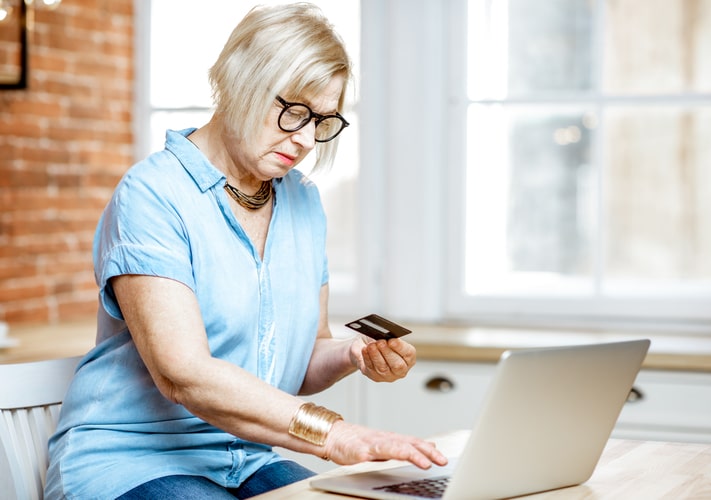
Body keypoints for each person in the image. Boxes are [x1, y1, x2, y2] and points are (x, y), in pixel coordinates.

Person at [44, 3, 447, 499]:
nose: (303, 139)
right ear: (241, 80)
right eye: (294, 111)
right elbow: (183, 375)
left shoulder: (302, 202)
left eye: (322, 121)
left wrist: (350, 353)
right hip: (132, 460)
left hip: (246, 458)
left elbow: (297, 367)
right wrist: (335, 434)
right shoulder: (152, 195)